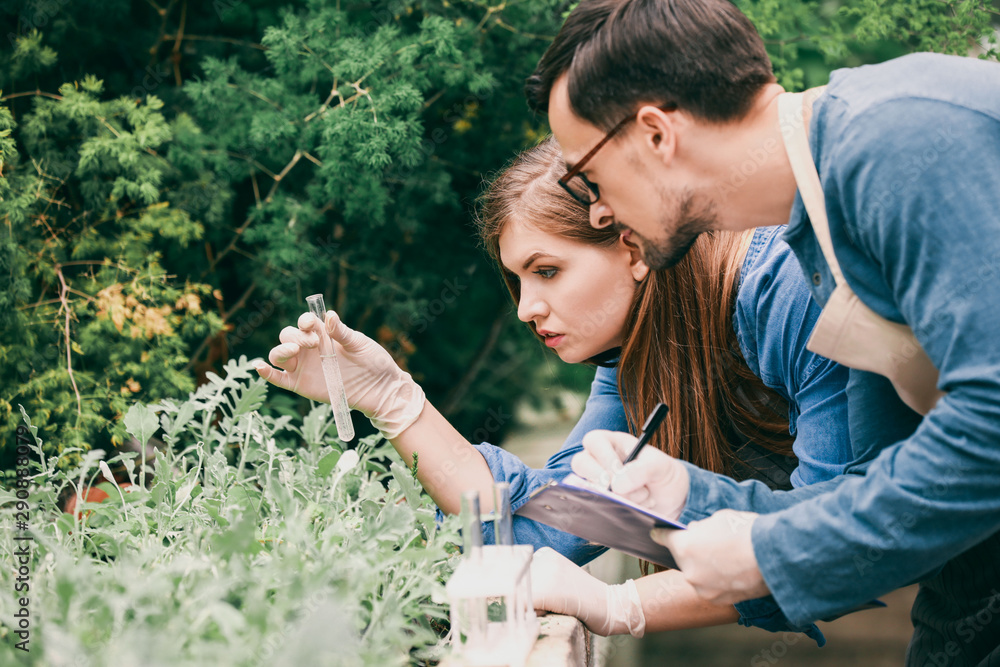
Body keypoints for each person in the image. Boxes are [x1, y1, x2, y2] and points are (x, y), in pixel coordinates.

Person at [526, 0, 1000, 662]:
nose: (598, 208)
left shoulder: (896, 143)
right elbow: (875, 491)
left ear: (656, 133)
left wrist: (765, 550)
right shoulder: (820, 226)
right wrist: (693, 497)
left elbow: (991, 429)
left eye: (586, 175)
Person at [253, 137, 857, 641]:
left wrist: (621, 605)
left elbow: (838, 547)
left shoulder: (783, 291)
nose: (525, 309)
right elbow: (540, 529)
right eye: (517, 279)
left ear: (633, 247)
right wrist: (394, 400)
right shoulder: (636, 357)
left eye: (547, 271)